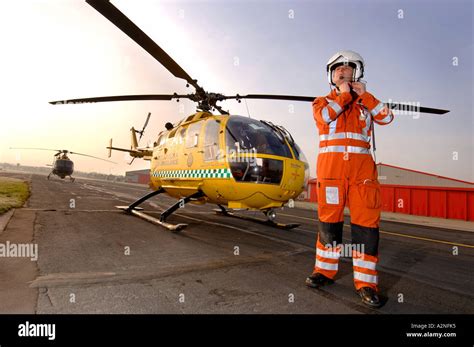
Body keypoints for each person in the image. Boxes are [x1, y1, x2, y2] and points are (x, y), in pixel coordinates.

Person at [306, 50, 394, 308]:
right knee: (328, 224)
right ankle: (324, 271)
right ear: (332, 76)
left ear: (357, 73)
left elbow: (387, 117)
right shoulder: (321, 102)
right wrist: (345, 95)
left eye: (347, 69)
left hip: (362, 176)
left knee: (366, 229)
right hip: (332, 175)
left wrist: (364, 96)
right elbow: (323, 119)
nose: (342, 72)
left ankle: (366, 283)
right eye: (337, 70)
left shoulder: (366, 103)